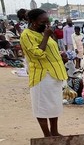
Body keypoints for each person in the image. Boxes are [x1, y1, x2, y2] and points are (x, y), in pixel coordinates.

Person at [20, 9, 68, 137]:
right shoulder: (27, 35)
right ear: (32, 21)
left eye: (48, 21)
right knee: (41, 108)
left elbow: (51, 50)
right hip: (42, 77)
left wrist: (61, 56)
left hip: (54, 75)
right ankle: (47, 136)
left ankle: (54, 131)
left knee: (54, 106)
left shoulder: (42, 33)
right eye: (43, 22)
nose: (47, 25)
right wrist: (47, 36)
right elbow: (37, 54)